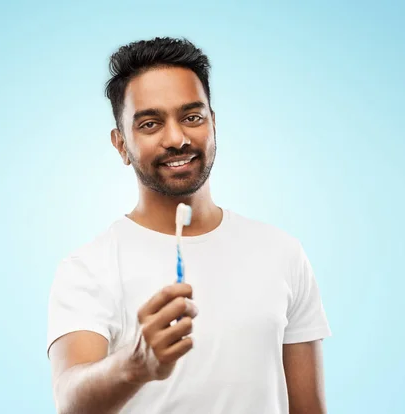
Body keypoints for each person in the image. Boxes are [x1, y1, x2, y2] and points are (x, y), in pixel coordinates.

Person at [46, 36, 332, 414]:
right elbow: (69, 400)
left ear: (213, 124)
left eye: (192, 117)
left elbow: (308, 408)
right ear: (121, 145)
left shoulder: (283, 253)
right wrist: (135, 365)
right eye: (150, 123)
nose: (177, 138)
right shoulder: (88, 268)